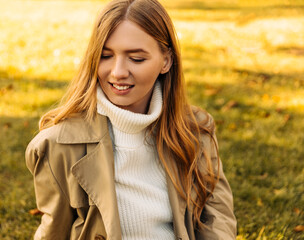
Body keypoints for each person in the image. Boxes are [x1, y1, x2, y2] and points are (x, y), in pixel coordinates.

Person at [25, 0, 237, 239]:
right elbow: (54, 231)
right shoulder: (57, 145)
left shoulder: (195, 130)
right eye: (105, 56)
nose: (118, 72)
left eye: (136, 59)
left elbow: (217, 218)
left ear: (166, 60)